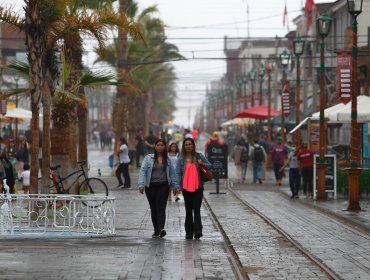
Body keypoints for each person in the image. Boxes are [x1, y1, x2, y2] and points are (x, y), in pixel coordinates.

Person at [138, 139, 179, 238]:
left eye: (162, 145)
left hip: (163, 186)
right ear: (155, 147)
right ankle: (156, 230)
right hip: (150, 186)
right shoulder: (148, 158)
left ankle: (161, 229)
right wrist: (141, 184)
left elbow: (173, 174)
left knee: (161, 207)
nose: (160, 147)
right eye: (158, 145)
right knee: (153, 208)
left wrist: (176, 187)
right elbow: (142, 171)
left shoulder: (168, 159)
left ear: (165, 147)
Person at [176, 138, 212, 239]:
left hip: (198, 188)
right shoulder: (181, 158)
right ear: (184, 146)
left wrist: (202, 164)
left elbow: (210, 166)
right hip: (186, 189)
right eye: (186, 144)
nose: (188, 146)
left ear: (193, 145)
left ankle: (198, 231)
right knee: (188, 210)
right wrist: (177, 187)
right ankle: (188, 232)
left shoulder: (199, 156)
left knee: (196, 209)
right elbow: (178, 173)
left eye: (190, 144)